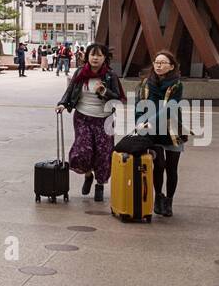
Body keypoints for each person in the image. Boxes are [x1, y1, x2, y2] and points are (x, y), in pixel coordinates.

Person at [56, 42, 125, 203]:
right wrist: (62, 104)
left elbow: (119, 98)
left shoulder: (110, 75)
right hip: (83, 117)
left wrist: (104, 91)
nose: (95, 58)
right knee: (83, 150)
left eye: (99, 55)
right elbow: (70, 91)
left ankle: (100, 185)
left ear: (105, 58)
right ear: (87, 56)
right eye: (92, 54)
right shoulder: (80, 73)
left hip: (104, 120)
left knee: (103, 154)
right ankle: (88, 175)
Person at [137, 49, 187, 218]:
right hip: (152, 132)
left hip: (172, 131)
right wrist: (139, 122)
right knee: (158, 167)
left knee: (172, 168)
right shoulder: (145, 83)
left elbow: (170, 108)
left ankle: (169, 201)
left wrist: (152, 120)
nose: (158, 66)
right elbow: (139, 105)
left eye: (163, 63)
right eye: (156, 62)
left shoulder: (177, 84)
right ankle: (158, 196)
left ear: (171, 66)